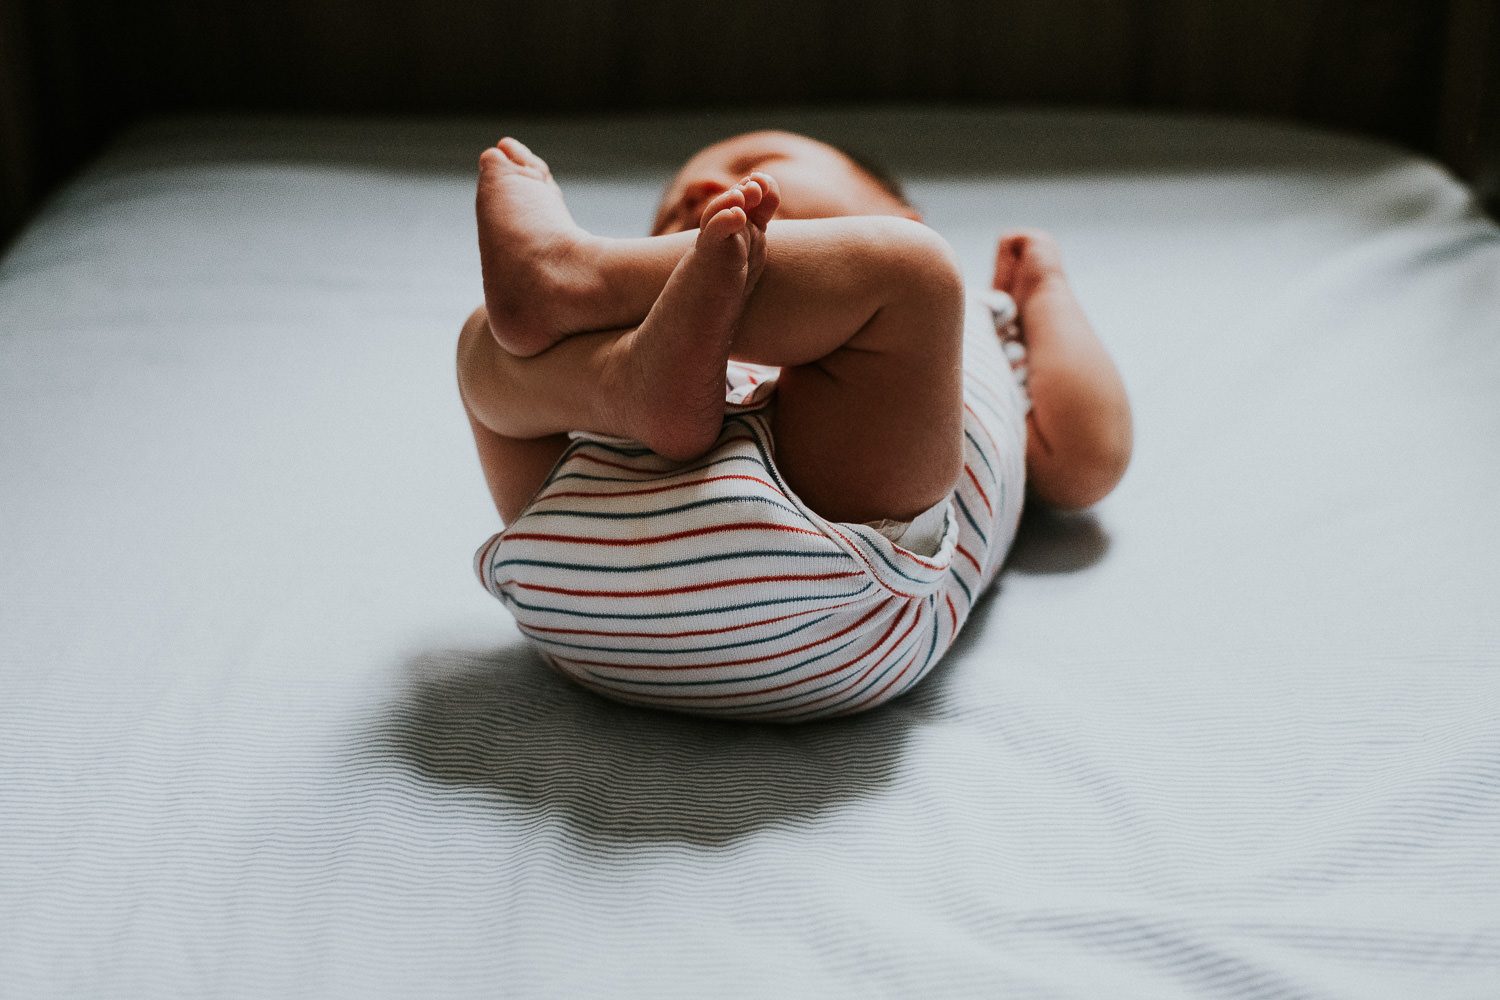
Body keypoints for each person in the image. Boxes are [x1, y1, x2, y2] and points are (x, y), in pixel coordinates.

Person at [457, 129, 1132, 723]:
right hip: (609, 559)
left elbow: (1084, 456)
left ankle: (582, 282)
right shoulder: (629, 328)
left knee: (912, 270)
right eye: (668, 215)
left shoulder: (966, 318)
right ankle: (619, 375)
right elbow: (1090, 462)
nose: (697, 187)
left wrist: (1042, 294)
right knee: (487, 340)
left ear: (899, 215)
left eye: (757, 158)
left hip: (768, 579)